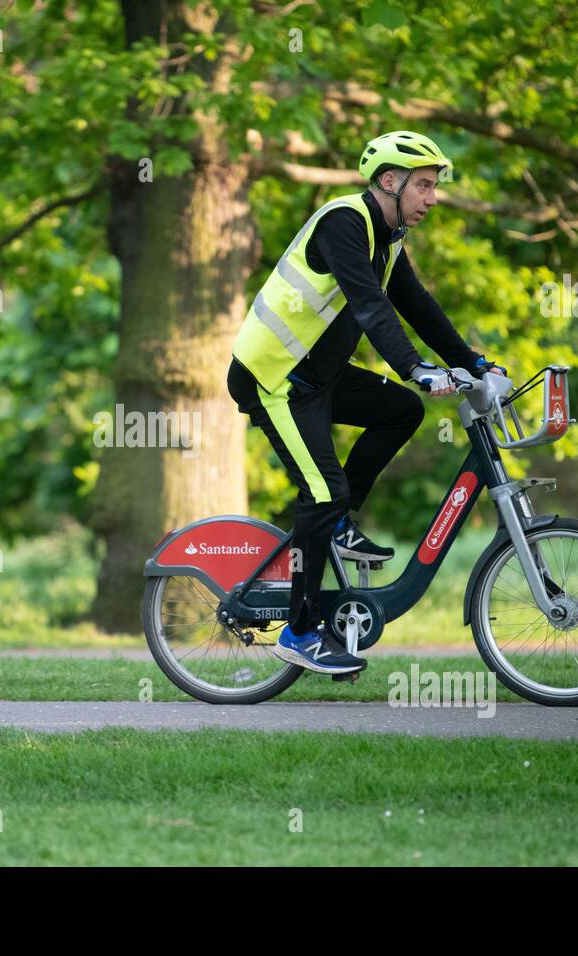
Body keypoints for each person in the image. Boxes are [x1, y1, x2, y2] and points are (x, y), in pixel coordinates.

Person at [226, 130, 506, 674]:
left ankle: (335, 521)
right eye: (423, 186)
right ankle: (300, 631)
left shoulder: (389, 237)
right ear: (388, 181)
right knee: (322, 491)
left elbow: (416, 306)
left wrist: (471, 362)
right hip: (275, 378)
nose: (432, 198)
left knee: (402, 410)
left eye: (434, 187)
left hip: (318, 377)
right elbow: (370, 305)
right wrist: (415, 367)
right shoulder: (344, 224)